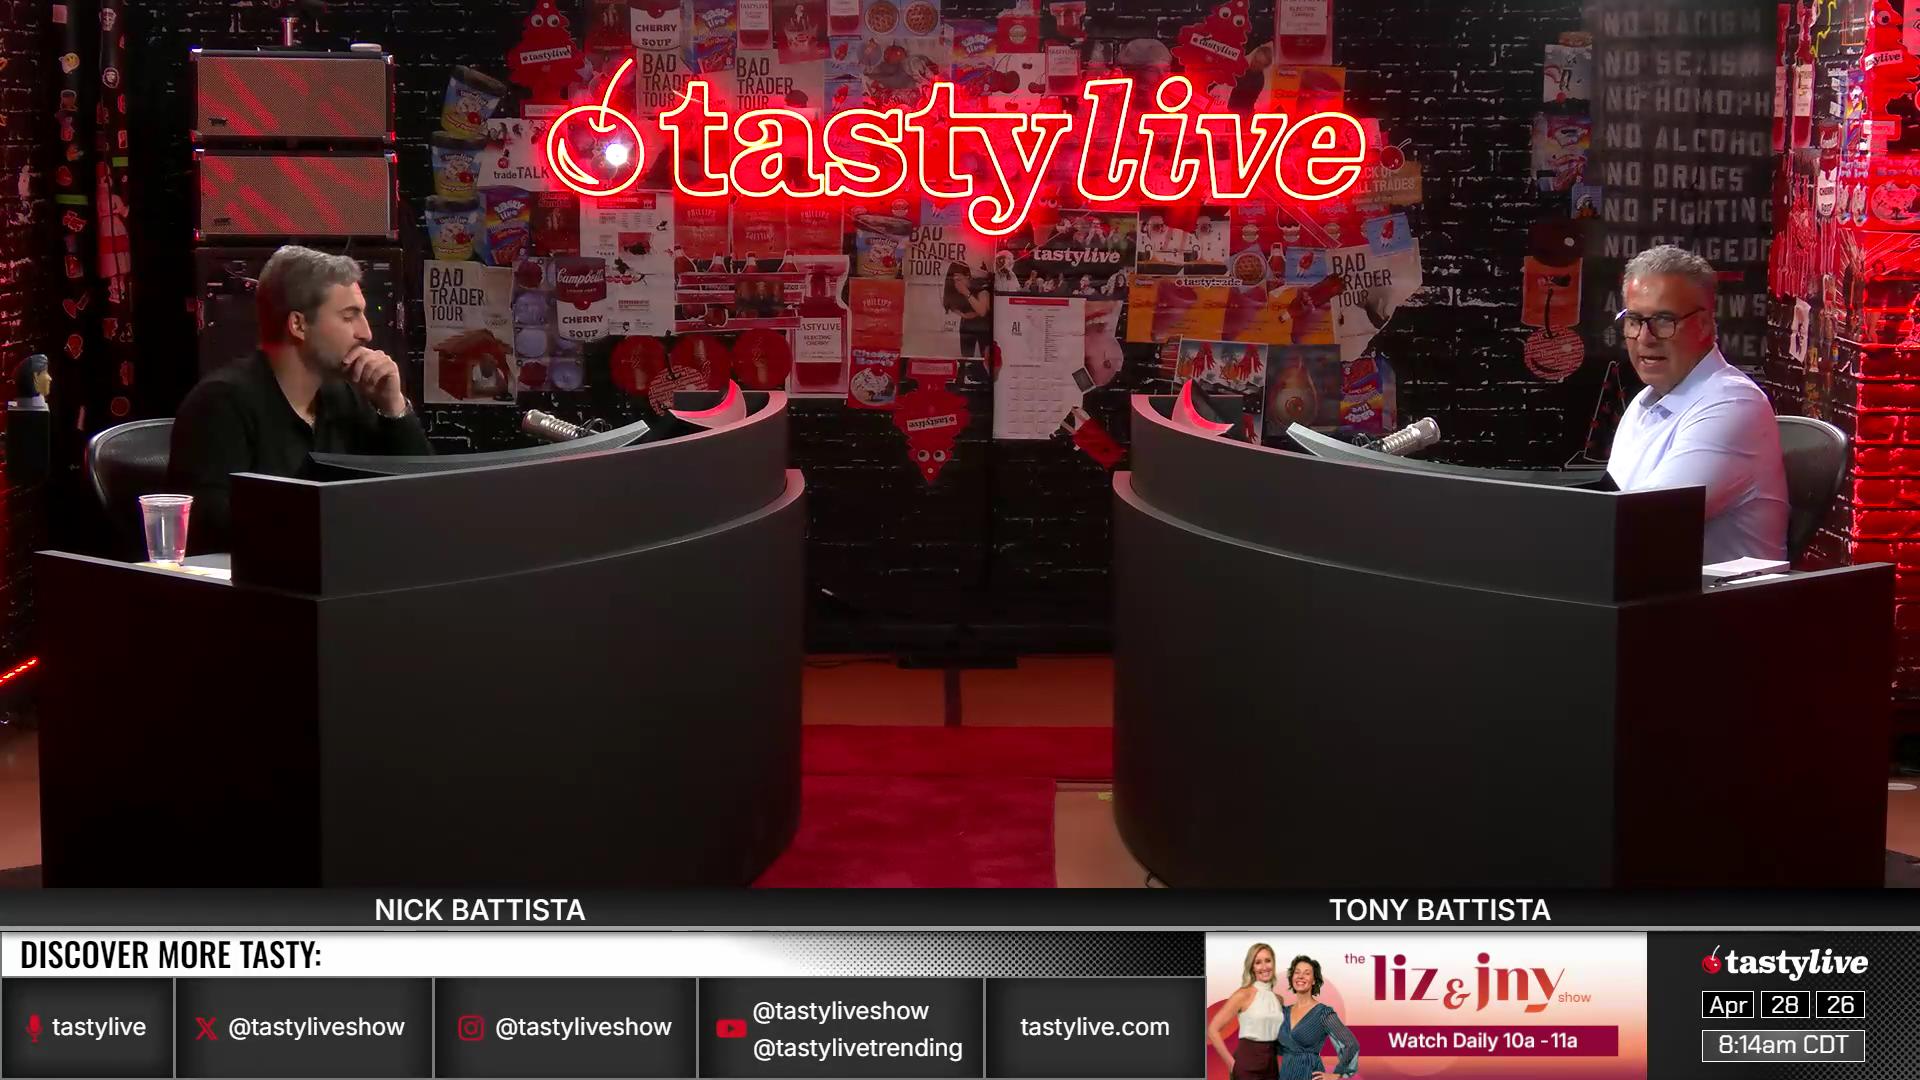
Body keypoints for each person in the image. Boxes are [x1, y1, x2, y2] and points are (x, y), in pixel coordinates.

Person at [169, 245, 431, 553]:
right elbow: (209, 530)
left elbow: (424, 500)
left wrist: (393, 407)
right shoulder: (220, 405)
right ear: (298, 325)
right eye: (349, 316)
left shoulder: (346, 398)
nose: (366, 333)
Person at [1606, 245, 1788, 563]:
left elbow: (1644, 521)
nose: (1645, 338)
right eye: (1634, 320)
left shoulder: (1734, 404)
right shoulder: (1642, 402)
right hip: (1650, 585)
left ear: (1704, 324)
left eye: (1664, 320)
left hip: (1718, 595)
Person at [1207, 942, 1285, 1080]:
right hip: (1247, 1065)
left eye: (1268, 960)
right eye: (1258, 962)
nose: (1264, 967)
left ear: (1273, 963)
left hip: (1271, 1065)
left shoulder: (1278, 999)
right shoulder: (1243, 994)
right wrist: (1232, 1065)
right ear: (1252, 967)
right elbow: (1212, 1030)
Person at [1276, 955, 1358, 1079]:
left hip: (1310, 1074)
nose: (1301, 976)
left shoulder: (1323, 1013)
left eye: (1307, 973)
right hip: (1285, 1074)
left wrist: (1337, 1075)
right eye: (1297, 972)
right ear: (1292, 978)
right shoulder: (1283, 1012)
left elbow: (1351, 1044)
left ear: (1314, 980)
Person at [944, 262, 992, 359]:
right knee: (966, 357)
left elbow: (982, 311)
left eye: (959, 279)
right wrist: (965, 315)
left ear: (968, 276)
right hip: (966, 327)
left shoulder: (980, 286)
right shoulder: (952, 288)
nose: (956, 284)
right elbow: (949, 305)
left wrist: (966, 293)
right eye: (954, 280)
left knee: (985, 356)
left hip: (983, 327)